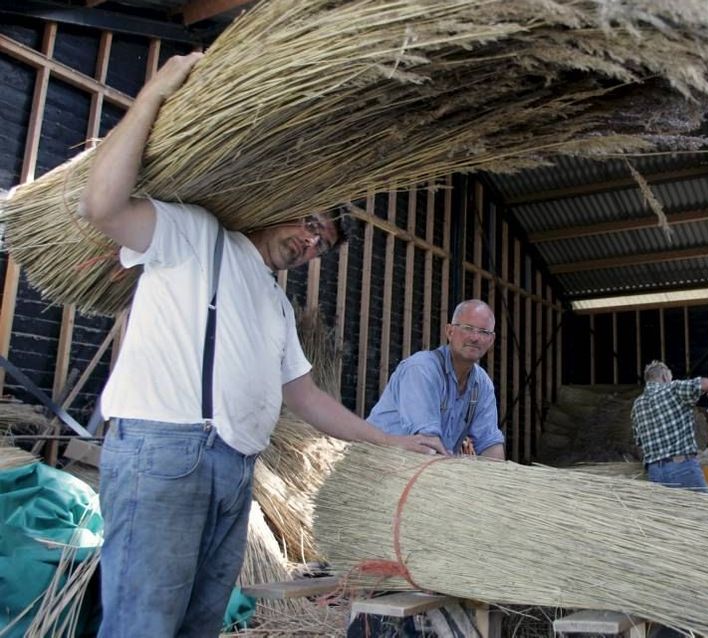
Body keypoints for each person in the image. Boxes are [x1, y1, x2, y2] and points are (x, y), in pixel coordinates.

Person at [79, 52, 444, 637]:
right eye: (309, 224)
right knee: (142, 625)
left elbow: (310, 400)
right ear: (277, 206)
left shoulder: (276, 305)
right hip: (166, 452)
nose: (309, 244)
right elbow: (101, 205)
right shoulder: (194, 234)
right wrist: (151, 95)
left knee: (199, 625)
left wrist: (391, 440)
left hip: (234, 471)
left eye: (321, 244)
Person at [368, 299, 505, 460]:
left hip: (427, 469)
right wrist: (463, 464)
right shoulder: (421, 369)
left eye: (483, 332)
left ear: (491, 340)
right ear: (449, 332)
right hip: (380, 465)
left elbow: (490, 444)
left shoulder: (482, 385)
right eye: (468, 328)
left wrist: (499, 478)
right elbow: (427, 445)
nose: (475, 337)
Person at [631, 360, 708, 492]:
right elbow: (704, 383)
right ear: (665, 376)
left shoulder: (637, 405)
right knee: (707, 510)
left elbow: (639, 443)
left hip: (655, 473)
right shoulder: (673, 389)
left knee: (671, 512)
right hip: (682, 467)